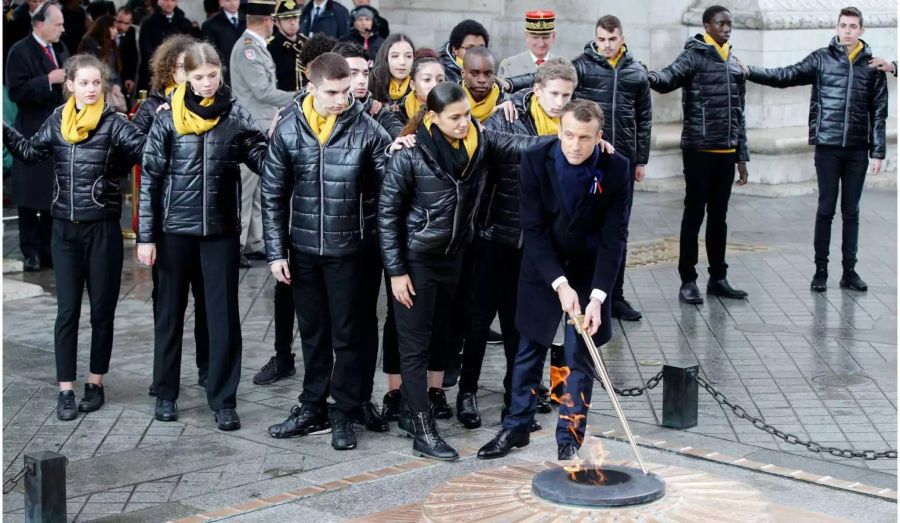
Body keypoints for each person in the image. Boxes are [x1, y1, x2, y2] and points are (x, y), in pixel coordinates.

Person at [379, 82, 548, 460]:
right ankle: (422, 428)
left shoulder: (479, 141)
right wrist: (396, 271)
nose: (463, 123)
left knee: (442, 337)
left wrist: (569, 142)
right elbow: (387, 216)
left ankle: (413, 410)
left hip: (454, 257)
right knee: (415, 345)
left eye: (467, 115)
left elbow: (520, 147)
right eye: (454, 118)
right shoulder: (410, 154)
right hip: (416, 260)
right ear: (433, 118)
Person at [478, 100, 630, 461]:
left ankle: (570, 436)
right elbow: (532, 229)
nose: (575, 145)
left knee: (578, 358)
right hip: (543, 267)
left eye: (584, 138)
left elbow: (615, 237)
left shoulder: (616, 168)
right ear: (558, 130)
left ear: (599, 137)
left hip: (591, 269)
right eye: (568, 135)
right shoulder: (535, 159)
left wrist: (596, 297)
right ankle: (516, 427)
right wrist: (560, 284)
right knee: (529, 349)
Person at [3, 53, 146, 421]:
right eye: (83, 83)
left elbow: (147, 152)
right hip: (64, 229)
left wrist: (157, 123)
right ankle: (65, 388)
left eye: (96, 83)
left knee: (102, 312)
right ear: (69, 86)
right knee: (66, 312)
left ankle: (95, 383)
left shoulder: (115, 124)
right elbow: (30, 153)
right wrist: (4, 129)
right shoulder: (57, 120)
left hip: (102, 230)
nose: (90, 89)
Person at [262, 52, 393, 451]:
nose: (342, 98)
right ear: (311, 85)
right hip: (303, 250)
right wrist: (275, 251)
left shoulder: (369, 131)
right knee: (314, 333)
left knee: (349, 334)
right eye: (332, 91)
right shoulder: (289, 129)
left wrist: (403, 151)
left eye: (345, 90)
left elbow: (391, 185)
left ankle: (345, 410)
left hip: (351, 250)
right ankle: (312, 405)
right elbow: (272, 192)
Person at [137, 41, 268, 431]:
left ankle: (224, 399)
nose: (207, 83)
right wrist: (146, 237)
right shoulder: (167, 118)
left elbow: (262, 158)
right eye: (198, 77)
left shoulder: (236, 115)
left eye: (212, 75)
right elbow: (150, 181)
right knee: (170, 314)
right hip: (174, 231)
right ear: (185, 77)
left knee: (223, 317)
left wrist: (283, 142)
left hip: (220, 232)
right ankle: (165, 393)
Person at [457, 58, 578, 431]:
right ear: (537, 90)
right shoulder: (506, 115)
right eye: (553, 94)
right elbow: (497, 144)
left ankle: (518, 395)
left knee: (520, 325)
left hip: (536, 243)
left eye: (566, 96)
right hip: (495, 233)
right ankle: (467, 392)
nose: (559, 102)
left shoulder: (571, 127)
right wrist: (553, 142)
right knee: (478, 321)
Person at [742, 6, 887, 293]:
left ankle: (849, 272)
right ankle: (820, 271)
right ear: (836, 28)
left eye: (853, 26)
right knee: (825, 208)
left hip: (857, 149)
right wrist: (749, 71)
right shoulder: (821, 59)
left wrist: (878, 151)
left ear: (862, 30)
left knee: (852, 211)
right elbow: (785, 75)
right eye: (843, 25)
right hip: (827, 146)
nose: (847, 31)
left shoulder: (873, 67)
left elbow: (879, 110)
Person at [648, 4, 750, 305]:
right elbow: (668, 78)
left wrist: (741, 157)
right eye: (721, 24)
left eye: (729, 24)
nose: (727, 29)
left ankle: (718, 277)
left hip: (726, 152)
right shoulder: (693, 55)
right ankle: (688, 280)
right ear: (707, 26)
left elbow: (740, 115)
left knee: (719, 217)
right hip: (699, 150)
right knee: (694, 215)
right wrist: (649, 76)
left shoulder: (734, 62)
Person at [132, 34, 210, 397]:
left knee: (208, 304)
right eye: (181, 68)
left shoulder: (212, 105)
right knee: (168, 307)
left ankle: (208, 369)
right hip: (168, 222)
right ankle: (164, 380)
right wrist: (159, 127)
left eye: (192, 68)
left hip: (206, 223)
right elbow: (136, 152)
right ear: (168, 70)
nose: (187, 74)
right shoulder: (153, 109)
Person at [332, 40, 402, 432]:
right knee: (340, 325)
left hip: (369, 235)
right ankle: (338, 402)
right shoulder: (314, 112)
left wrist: (401, 139)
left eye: (363, 73)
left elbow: (395, 137)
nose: (358, 81)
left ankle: (359, 401)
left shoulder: (378, 115)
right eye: (350, 74)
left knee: (365, 322)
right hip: (331, 236)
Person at [568, 15, 652, 321]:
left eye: (612, 39)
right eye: (601, 39)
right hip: (590, 160)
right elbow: (552, 87)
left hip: (623, 161)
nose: (606, 45)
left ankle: (614, 296)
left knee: (617, 230)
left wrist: (640, 159)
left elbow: (645, 118)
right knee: (583, 224)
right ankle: (582, 292)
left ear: (622, 38)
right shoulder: (582, 66)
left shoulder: (636, 72)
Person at [378, 52, 444, 422]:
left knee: (440, 319)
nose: (434, 85)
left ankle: (433, 389)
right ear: (414, 85)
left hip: (441, 244)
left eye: (440, 78)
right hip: (408, 241)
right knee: (399, 319)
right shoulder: (394, 118)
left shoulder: (457, 122)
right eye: (427, 79)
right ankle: (395, 391)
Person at [230, 0, 296, 268]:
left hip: (262, 125)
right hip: (251, 126)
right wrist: (299, 97)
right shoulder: (248, 49)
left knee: (259, 189)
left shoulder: (256, 47)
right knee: (246, 191)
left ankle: (255, 241)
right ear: (269, 20)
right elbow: (262, 91)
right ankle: (237, 243)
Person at [6, 1, 69, 272]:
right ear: (40, 24)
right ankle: (30, 251)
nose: (63, 29)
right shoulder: (19, 51)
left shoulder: (61, 48)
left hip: (58, 128)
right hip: (31, 129)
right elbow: (15, 91)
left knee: (53, 193)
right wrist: (48, 80)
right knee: (30, 194)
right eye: (58, 24)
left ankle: (50, 249)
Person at [137, 0, 199, 92]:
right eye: (166, 0)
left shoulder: (184, 23)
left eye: (173, 0)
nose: (169, 3)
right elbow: (145, 50)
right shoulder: (148, 23)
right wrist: (161, 65)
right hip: (153, 73)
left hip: (179, 72)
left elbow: (190, 48)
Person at [77, 14, 127, 111]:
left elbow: (116, 70)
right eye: (113, 28)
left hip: (109, 91)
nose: (116, 31)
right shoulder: (90, 43)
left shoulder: (111, 45)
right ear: (105, 28)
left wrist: (117, 85)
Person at [498, 10, 556, 79]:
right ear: (526, 36)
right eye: (535, 37)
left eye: (545, 37)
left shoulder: (563, 66)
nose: (541, 43)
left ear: (553, 36)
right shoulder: (509, 66)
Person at [201, 0, 245, 86]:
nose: (233, 3)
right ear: (221, 2)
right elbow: (210, 53)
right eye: (228, 0)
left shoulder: (248, 21)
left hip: (247, 71)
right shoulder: (210, 24)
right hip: (225, 74)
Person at [269, 0, 307, 92]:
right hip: (283, 102)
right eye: (286, 18)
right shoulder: (270, 48)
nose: (293, 22)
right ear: (276, 22)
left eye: (295, 17)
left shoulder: (307, 43)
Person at [439, 19, 489, 84]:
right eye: (470, 48)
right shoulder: (442, 75)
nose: (477, 53)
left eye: (481, 48)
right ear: (455, 49)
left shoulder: (489, 72)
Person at [369, 33, 414, 103]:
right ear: (385, 58)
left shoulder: (419, 87)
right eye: (395, 56)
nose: (402, 62)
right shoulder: (371, 85)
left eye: (408, 56)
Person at [113, 7, 139, 99]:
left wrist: (130, 77)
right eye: (119, 21)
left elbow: (132, 57)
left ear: (130, 23)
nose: (122, 26)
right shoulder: (108, 29)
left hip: (123, 75)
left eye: (126, 23)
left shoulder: (130, 33)